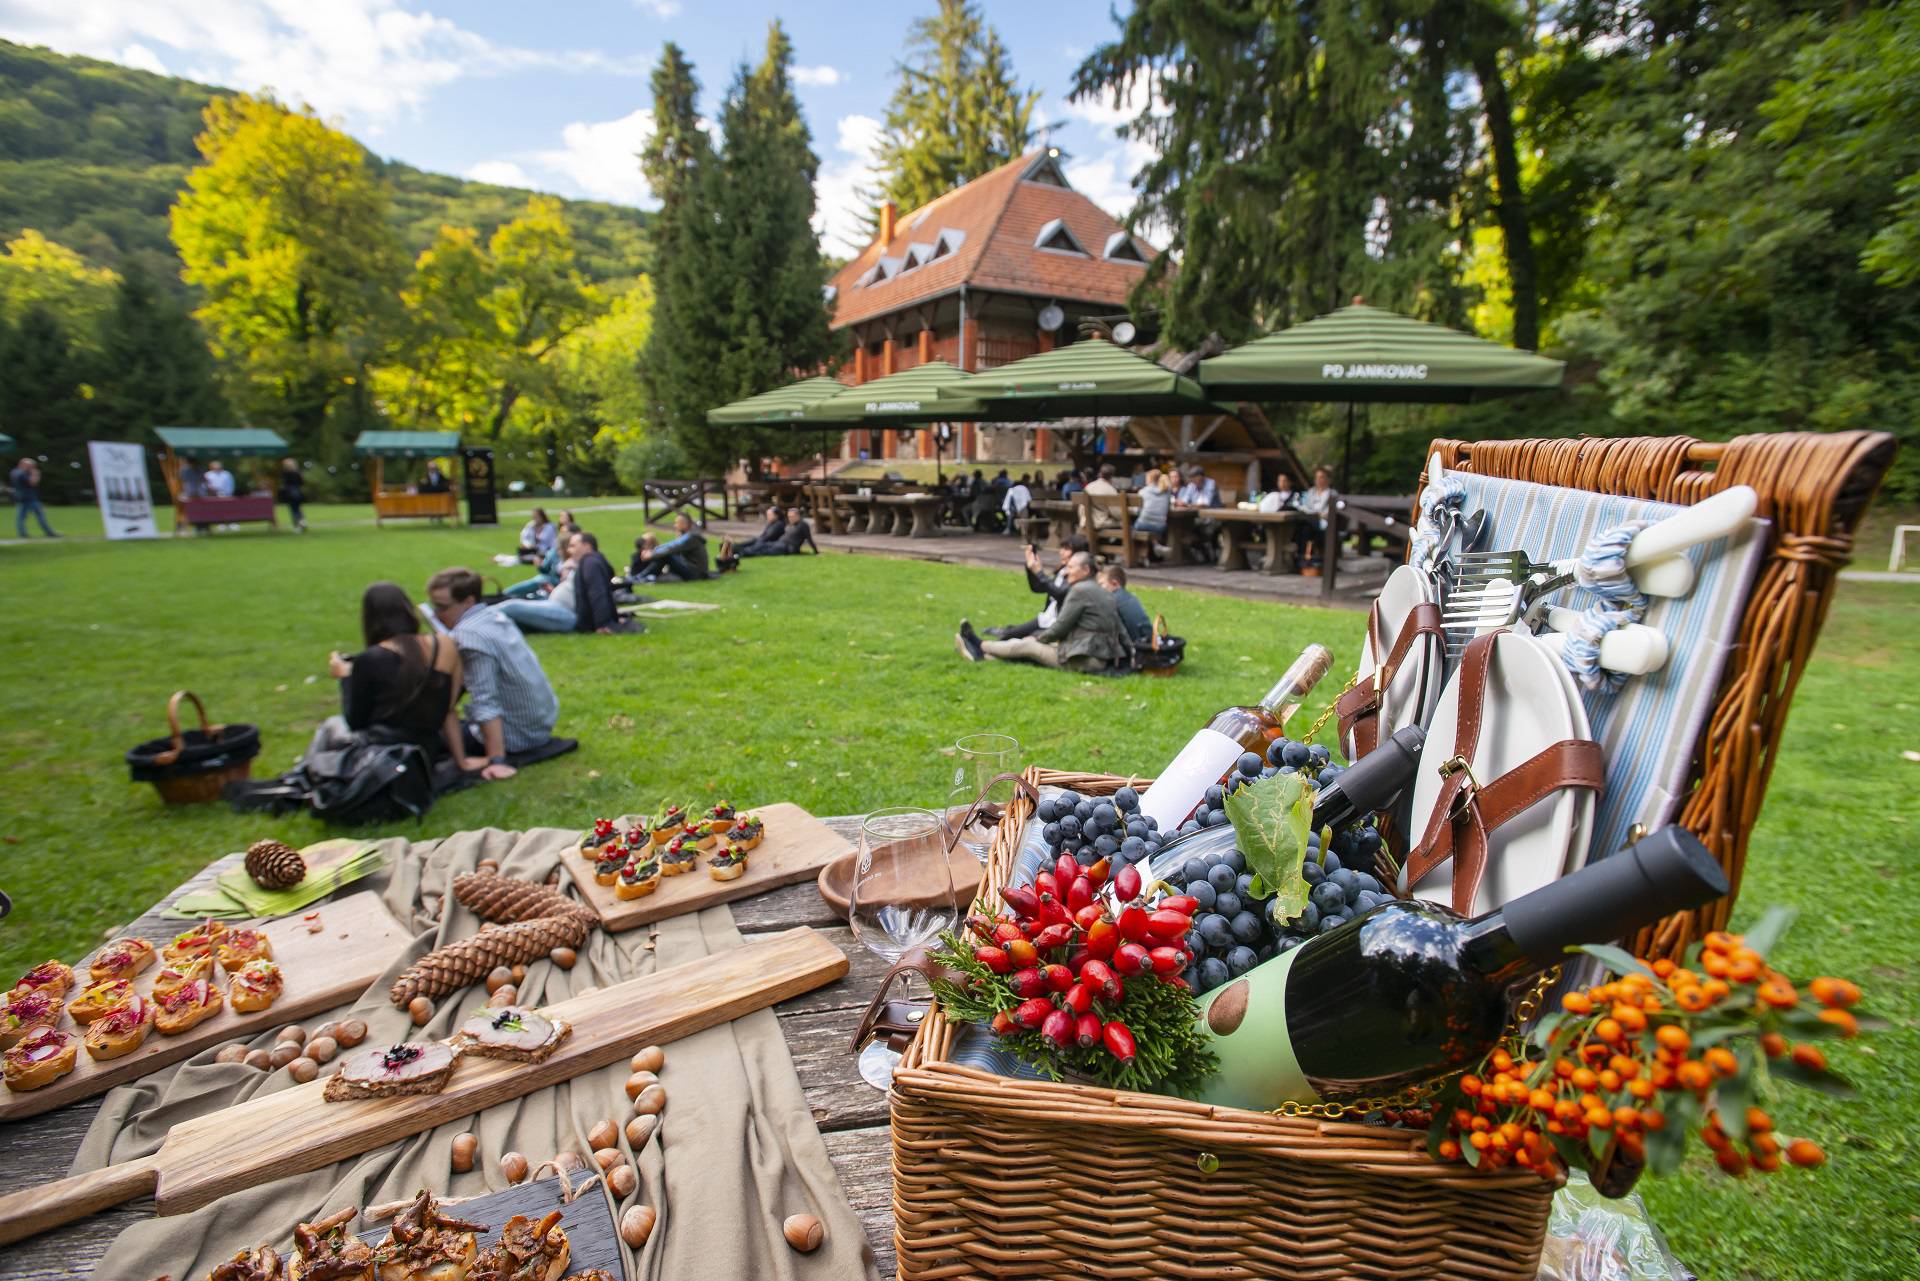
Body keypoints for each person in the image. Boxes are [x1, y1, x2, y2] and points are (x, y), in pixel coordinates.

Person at [428, 567, 561, 778]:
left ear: (469, 601)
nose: (436, 614)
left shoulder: (469, 635)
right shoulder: (494, 616)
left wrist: (496, 760)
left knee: (427, 735)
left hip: (517, 736)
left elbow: (485, 701)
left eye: (442, 607)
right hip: (540, 725)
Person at [326, 582, 467, 763]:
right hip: (427, 748)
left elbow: (356, 722)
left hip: (385, 754)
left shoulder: (370, 659)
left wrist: (346, 678)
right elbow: (449, 707)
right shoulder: (445, 645)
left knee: (331, 727)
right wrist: (461, 760)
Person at [957, 552, 1132, 672]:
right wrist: (1131, 653)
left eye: (1071, 568)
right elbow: (1120, 629)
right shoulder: (1105, 593)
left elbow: (1060, 627)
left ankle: (978, 645)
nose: (1066, 572)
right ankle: (987, 656)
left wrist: (1037, 638)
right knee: (1034, 649)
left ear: (1085, 570)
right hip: (1099, 657)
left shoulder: (1079, 591)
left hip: (1083, 660)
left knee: (1028, 645)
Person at [982, 535, 1087, 641]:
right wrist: (1031, 568)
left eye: (1067, 549)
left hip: (1058, 623)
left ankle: (1000, 637)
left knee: (1026, 638)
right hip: (1048, 617)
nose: (1061, 552)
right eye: (1062, 548)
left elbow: (1059, 593)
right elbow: (1038, 588)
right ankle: (1004, 632)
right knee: (1013, 634)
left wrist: (1039, 572)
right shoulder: (1063, 571)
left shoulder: (1079, 577)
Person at [635, 513, 710, 582]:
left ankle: (640, 577)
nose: (675, 525)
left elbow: (672, 548)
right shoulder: (688, 536)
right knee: (664, 554)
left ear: (685, 524)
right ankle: (642, 576)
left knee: (666, 556)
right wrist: (653, 551)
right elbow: (670, 544)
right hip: (692, 570)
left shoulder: (691, 537)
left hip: (696, 574)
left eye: (677, 523)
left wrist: (652, 554)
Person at [1295, 466, 1339, 570]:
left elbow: (1329, 513)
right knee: (1304, 527)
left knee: (1304, 525)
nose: (1319, 480)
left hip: (1324, 524)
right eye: (1317, 477)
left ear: (1328, 479)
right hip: (1311, 521)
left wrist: (1318, 514)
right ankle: (1301, 558)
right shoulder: (1311, 492)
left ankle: (1301, 557)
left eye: (1322, 477)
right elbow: (1307, 507)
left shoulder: (1332, 494)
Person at [1099, 564, 1154, 645]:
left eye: (1101, 584)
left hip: (1133, 648)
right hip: (1148, 642)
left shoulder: (1112, 601)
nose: (1097, 588)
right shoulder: (1131, 597)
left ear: (1114, 584)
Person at [739, 507, 818, 559]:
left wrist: (816, 552)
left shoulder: (803, 525)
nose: (790, 518)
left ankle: (743, 554)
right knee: (762, 544)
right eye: (789, 516)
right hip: (779, 543)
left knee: (764, 551)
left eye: (792, 516)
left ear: (798, 516)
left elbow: (809, 538)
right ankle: (741, 550)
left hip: (785, 547)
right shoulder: (793, 525)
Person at [9, 458, 57, 538]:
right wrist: (35, 474)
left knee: (22, 516)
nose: (32, 468)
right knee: (37, 515)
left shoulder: (15, 472)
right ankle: (49, 532)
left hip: (24, 497)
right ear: (23, 464)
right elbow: (33, 483)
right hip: (27, 498)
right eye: (30, 466)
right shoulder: (21, 473)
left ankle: (24, 533)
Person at [1133, 469, 1173, 540]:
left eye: (1146, 478)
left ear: (1149, 479)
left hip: (1143, 524)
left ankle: (1146, 547)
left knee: (1132, 528)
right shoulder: (1167, 491)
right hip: (1160, 526)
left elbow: (1137, 510)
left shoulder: (1143, 491)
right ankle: (1155, 544)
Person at [1084, 463, 1121, 529]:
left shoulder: (1088, 487)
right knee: (1125, 523)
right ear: (1112, 476)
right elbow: (1118, 514)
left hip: (1085, 521)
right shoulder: (1110, 489)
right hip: (1100, 523)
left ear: (1100, 474)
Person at [278, 458, 307, 532]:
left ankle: (297, 526)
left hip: (290, 493)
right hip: (298, 492)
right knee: (299, 509)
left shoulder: (285, 473)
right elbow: (302, 483)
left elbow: (284, 484)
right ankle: (302, 521)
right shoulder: (297, 473)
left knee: (293, 510)